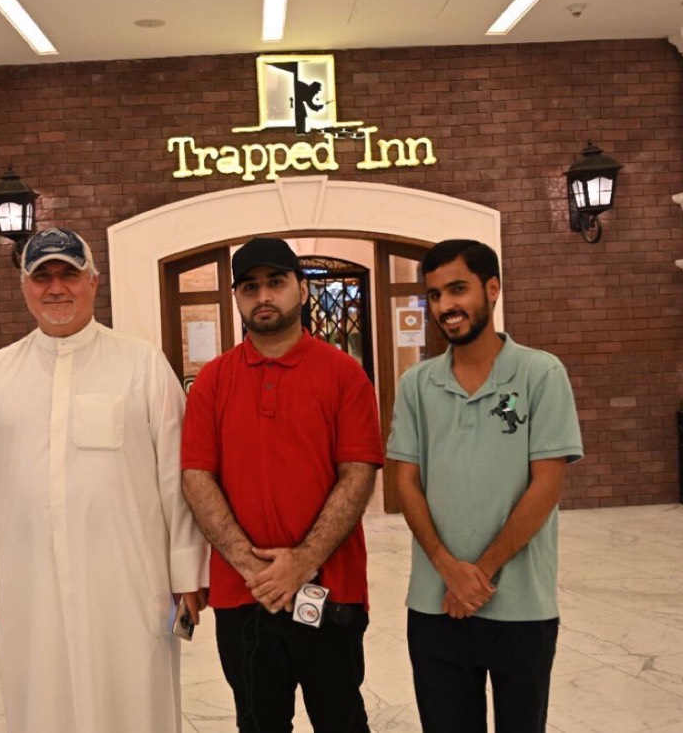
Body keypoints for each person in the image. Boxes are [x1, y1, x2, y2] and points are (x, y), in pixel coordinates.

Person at [0, 228, 208, 732]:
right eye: (42, 276)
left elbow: (178, 476)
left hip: (129, 584)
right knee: (43, 704)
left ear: (94, 282)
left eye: (69, 273)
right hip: (28, 588)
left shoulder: (142, 364)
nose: (56, 287)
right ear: (24, 286)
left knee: (134, 702)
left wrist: (187, 572)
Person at [181, 237, 383, 732]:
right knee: (258, 723)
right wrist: (254, 568)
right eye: (250, 287)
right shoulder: (212, 382)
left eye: (276, 282)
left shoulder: (344, 375)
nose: (263, 296)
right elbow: (196, 477)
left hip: (329, 590)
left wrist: (301, 562)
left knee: (341, 720)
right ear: (237, 298)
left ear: (302, 290)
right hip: (243, 595)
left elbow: (358, 474)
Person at [387, 239, 583, 732]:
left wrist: (479, 575)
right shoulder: (416, 385)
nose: (445, 306)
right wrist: (446, 569)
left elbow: (546, 485)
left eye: (458, 289)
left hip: (522, 606)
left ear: (492, 289)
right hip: (434, 605)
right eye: (435, 295)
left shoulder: (540, 374)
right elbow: (405, 481)